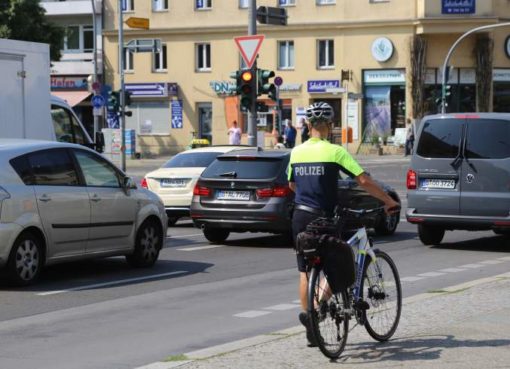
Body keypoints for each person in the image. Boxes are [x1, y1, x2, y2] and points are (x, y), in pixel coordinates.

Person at [287, 102, 400, 347]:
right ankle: (317, 311)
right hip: (323, 218)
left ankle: (311, 323)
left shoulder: (296, 152)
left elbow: (292, 185)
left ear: (307, 125)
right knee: (335, 264)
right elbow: (362, 180)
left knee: (305, 271)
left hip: (299, 217)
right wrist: (388, 200)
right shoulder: (335, 152)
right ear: (330, 125)